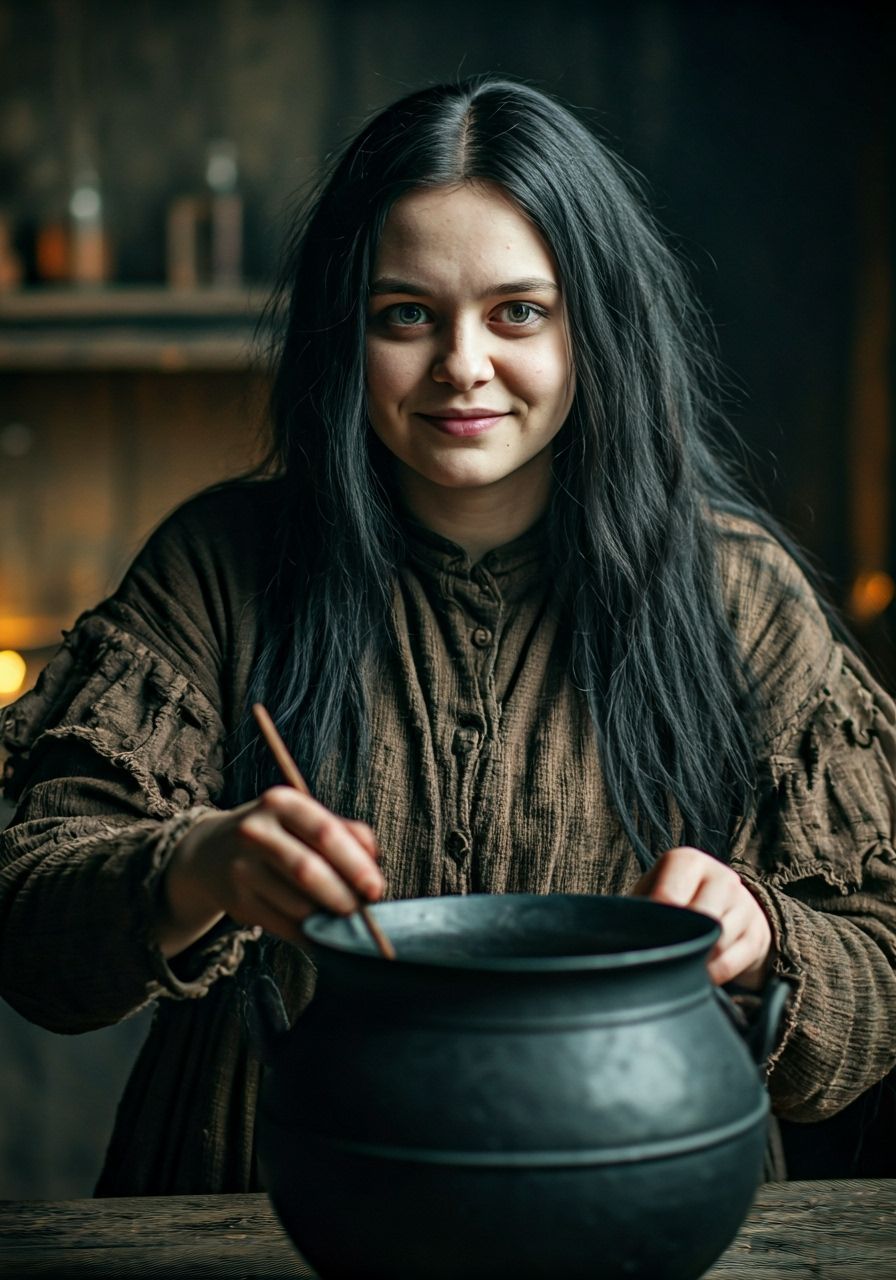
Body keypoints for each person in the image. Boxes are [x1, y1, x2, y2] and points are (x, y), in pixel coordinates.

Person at [2, 76, 895, 1195]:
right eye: (406, 315)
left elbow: (880, 963)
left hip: (636, 1209)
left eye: (517, 311)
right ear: (347, 332)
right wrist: (199, 863)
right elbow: (33, 939)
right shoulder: (218, 565)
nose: (460, 365)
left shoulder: (734, 593)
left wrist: (762, 932)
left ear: (591, 325)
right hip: (255, 1213)